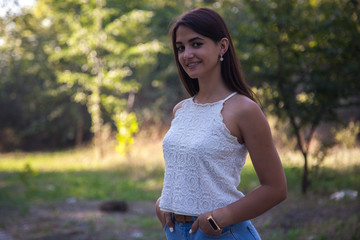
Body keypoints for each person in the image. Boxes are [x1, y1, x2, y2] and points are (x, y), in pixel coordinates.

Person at [155, 7, 287, 240]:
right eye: (180, 47)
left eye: (196, 44)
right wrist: (164, 202)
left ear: (222, 46)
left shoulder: (244, 110)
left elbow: (275, 188)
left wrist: (219, 218)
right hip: (176, 232)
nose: (186, 54)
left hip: (221, 233)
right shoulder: (181, 110)